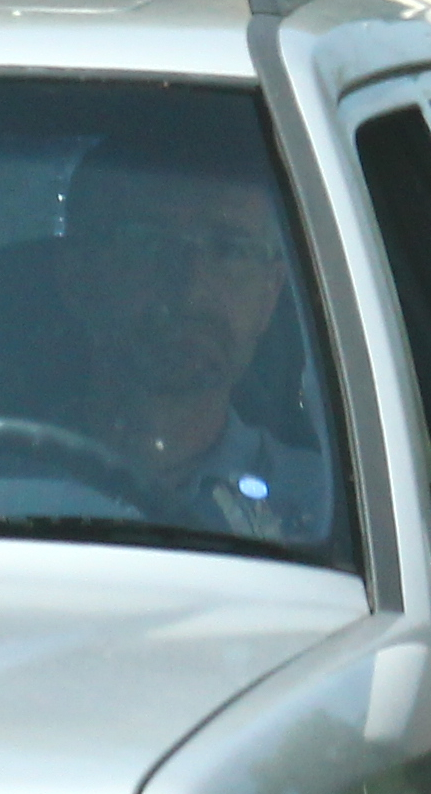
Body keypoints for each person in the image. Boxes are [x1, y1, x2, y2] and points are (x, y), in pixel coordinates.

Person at [42, 131, 335, 540]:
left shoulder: (328, 514)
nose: (191, 288)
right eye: (146, 244)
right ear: (76, 280)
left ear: (271, 293)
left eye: (229, 250)